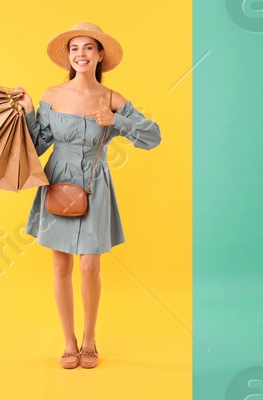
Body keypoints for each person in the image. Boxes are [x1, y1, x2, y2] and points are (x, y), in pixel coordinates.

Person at [11, 22, 162, 369]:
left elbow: (153, 138)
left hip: (95, 185)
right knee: (60, 265)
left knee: (90, 265)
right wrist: (30, 110)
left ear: (100, 55)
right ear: (68, 55)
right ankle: (68, 342)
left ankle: (90, 339)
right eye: (75, 48)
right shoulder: (52, 94)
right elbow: (36, 146)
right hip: (56, 182)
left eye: (88, 48)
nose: (81, 54)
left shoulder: (113, 99)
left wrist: (117, 121)